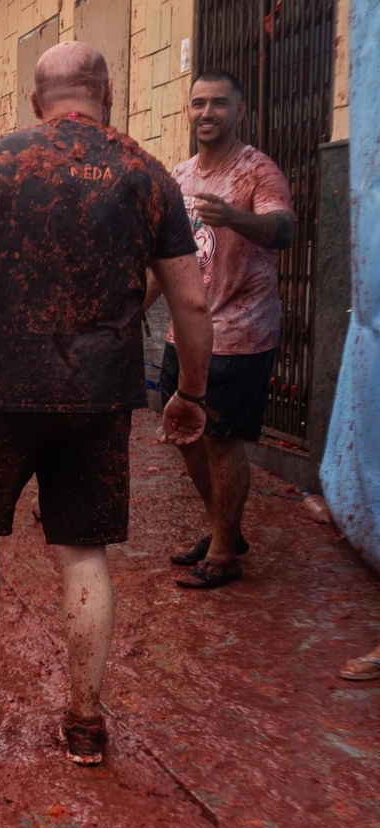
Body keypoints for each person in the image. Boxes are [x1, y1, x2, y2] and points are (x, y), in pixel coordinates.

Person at [0, 42, 212, 766]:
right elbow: (191, 297)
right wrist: (191, 391)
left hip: (5, 387)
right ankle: (85, 722)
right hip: (100, 398)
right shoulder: (145, 170)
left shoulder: (0, 163)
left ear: (38, 101)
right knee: (83, 550)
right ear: (109, 90)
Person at [153, 70, 295, 590]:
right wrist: (129, 312)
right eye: (198, 104)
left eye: (218, 104)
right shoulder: (179, 176)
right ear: (187, 111)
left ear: (239, 110)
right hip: (187, 331)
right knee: (184, 433)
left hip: (240, 330)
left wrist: (235, 216)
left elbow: (284, 230)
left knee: (220, 440)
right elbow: (162, 261)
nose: (207, 113)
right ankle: (225, 530)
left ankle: (223, 552)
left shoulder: (257, 170)